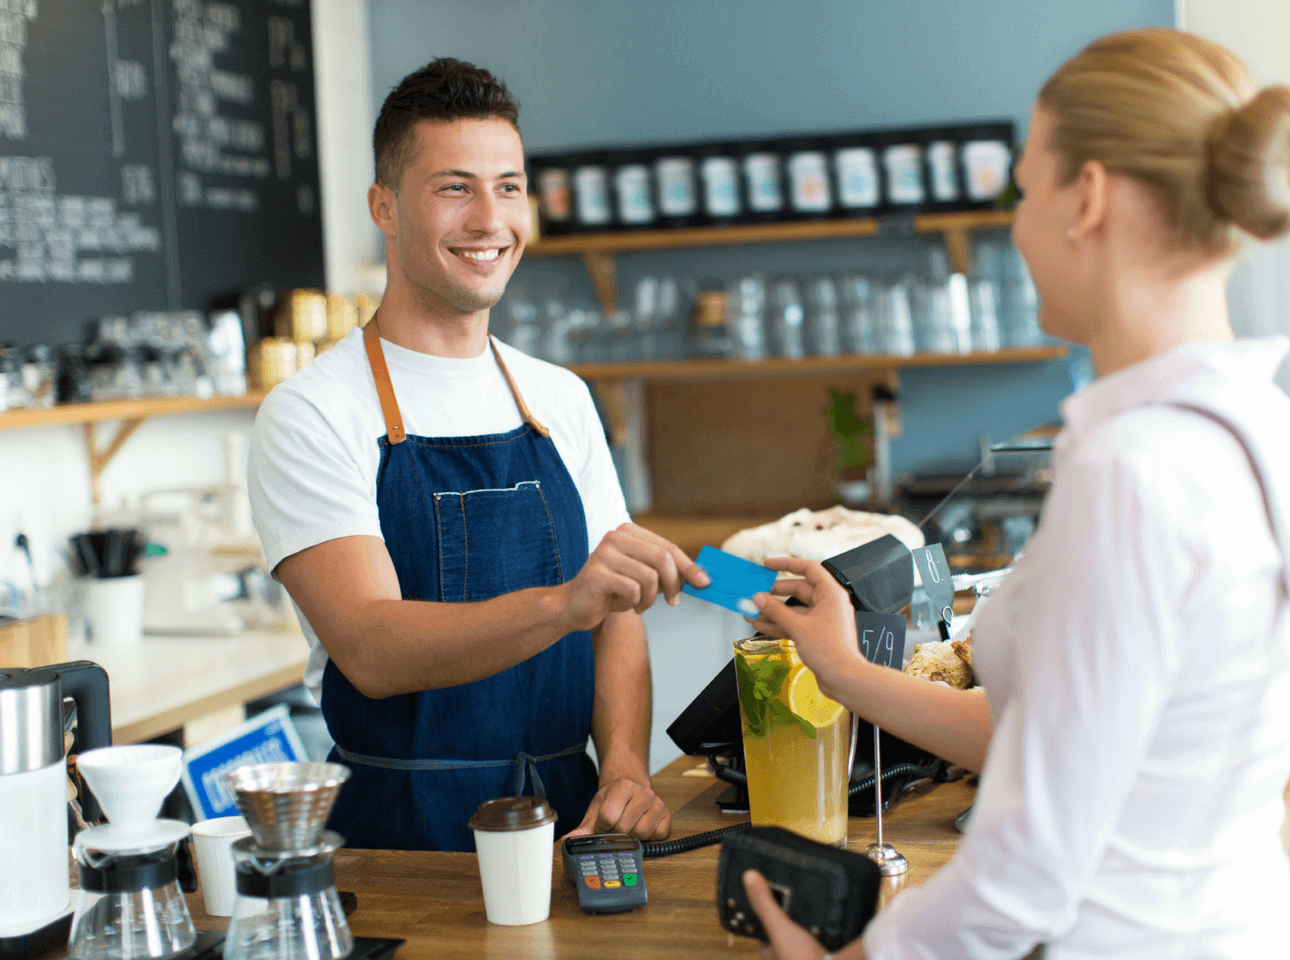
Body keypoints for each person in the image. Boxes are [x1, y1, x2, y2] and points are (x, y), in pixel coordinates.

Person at [740, 28, 1290, 960]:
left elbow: (1030, 870)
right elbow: (1075, 736)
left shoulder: (1132, 472)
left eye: (1027, 190)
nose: (1017, 226)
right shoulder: (1257, 430)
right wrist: (847, 673)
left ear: (1089, 197)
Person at [247, 58, 708, 852]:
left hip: (573, 823)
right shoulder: (314, 410)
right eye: (455, 187)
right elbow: (371, 647)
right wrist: (564, 603)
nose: (490, 219)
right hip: (408, 839)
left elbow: (616, 613)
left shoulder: (557, 397)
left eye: (510, 186)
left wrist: (625, 767)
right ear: (384, 208)